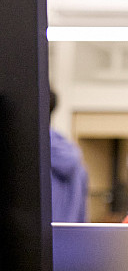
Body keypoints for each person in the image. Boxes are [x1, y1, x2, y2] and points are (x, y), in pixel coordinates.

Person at [49, 89, 89, 222]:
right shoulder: (73, 155)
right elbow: (82, 217)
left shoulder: (25, 157)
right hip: (68, 240)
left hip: (35, 241)